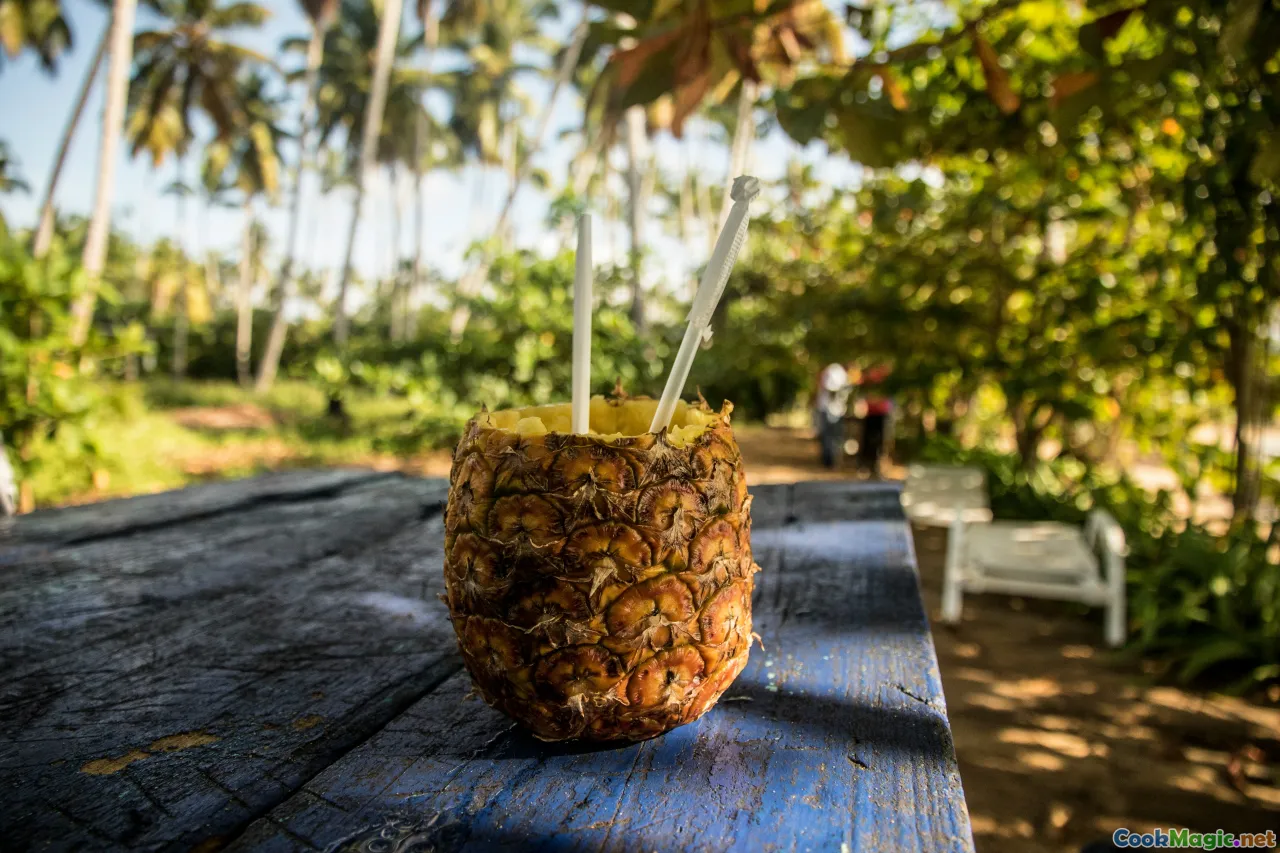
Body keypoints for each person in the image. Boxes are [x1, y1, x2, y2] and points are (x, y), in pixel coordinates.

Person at [855, 363, 893, 476]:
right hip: (870, 413)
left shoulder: (886, 379)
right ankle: (865, 464)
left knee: (880, 440)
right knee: (867, 439)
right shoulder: (868, 378)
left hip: (882, 413)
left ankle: (876, 465)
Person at [813, 363, 850, 469]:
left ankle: (831, 459)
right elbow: (829, 388)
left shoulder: (840, 373)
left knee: (833, 435)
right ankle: (828, 460)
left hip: (835, 409)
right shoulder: (835, 371)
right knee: (829, 435)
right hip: (829, 408)